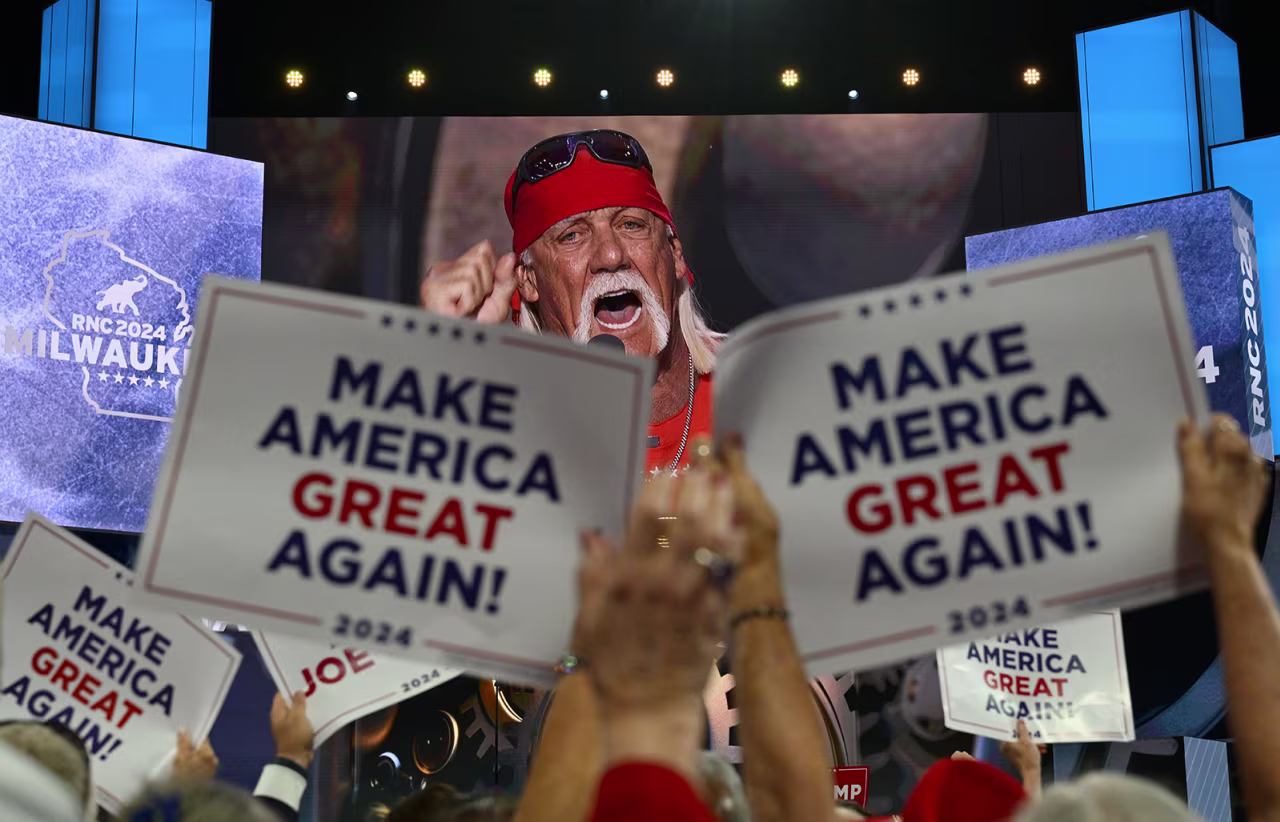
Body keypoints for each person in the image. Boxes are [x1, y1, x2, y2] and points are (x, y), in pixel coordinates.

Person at [419, 128, 724, 477]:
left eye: (631, 224)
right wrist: (446, 359)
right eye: (572, 236)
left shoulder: (764, 386)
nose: (610, 255)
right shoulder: (500, 422)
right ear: (528, 281)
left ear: (674, 255)